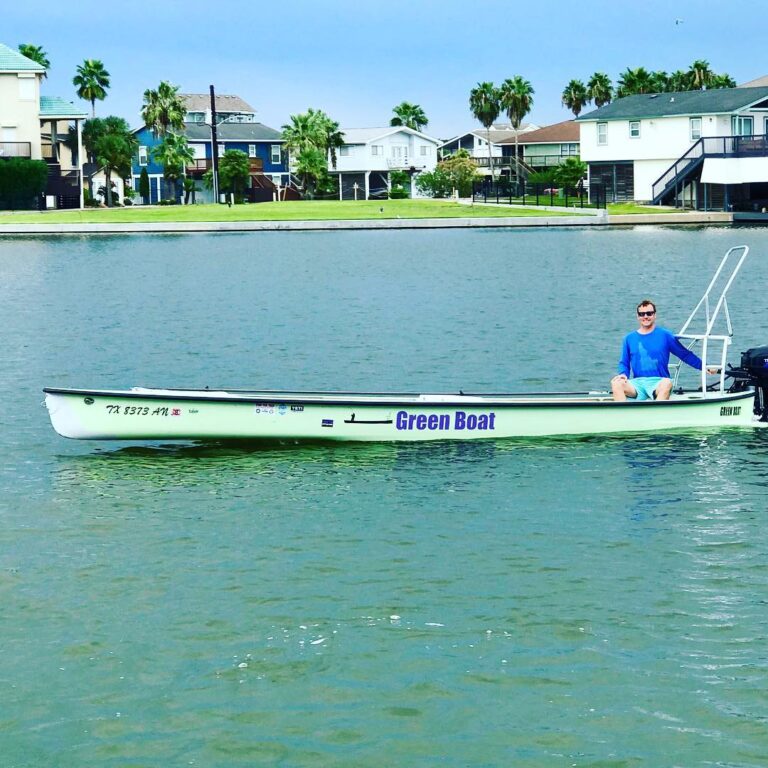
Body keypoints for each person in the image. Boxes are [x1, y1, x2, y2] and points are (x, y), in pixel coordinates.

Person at [611, 299, 717, 402]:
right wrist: (623, 374)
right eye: (642, 314)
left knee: (667, 383)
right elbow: (624, 363)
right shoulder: (629, 338)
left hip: (659, 383)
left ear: (655, 315)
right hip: (637, 384)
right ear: (638, 316)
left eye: (649, 313)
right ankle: (624, 417)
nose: (645, 316)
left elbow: (684, 355)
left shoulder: (665, 335)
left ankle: (657, 416)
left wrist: (704, 366)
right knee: (616, 383)